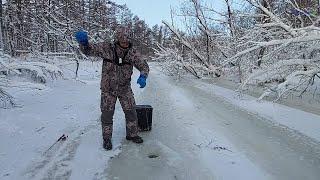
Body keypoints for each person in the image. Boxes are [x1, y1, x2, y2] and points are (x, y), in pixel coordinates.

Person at [75, 26, 149, 150]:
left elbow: (144, 66)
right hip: (108, 89)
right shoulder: (107, 48)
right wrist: (84, 43)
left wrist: (143, 76)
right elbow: (89, 50)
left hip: (125, 89)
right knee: (107, 115)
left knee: (131, 112)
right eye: (122, 40)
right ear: (118, 38)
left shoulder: (133, 52)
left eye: (127, 40)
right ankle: (107, 139)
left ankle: (132, 134)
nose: (125, 42)